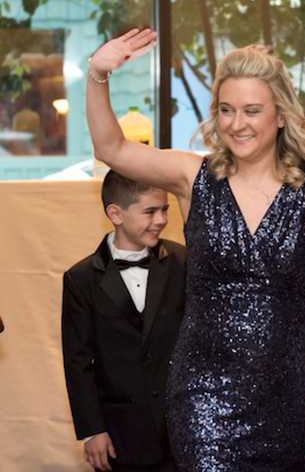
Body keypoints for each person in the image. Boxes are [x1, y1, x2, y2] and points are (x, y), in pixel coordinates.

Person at [85, 38, 305, 471]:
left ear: (279, 116)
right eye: (226, 109)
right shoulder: (192, 176)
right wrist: (98, 75)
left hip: (289, 392)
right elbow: (112, 149)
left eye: (251, 110)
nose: (237, 124)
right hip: (204, 393)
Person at [62, 170, 186, 472]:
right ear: (115, 214)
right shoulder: (80, 279)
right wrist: (92, 430)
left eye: (165, 209)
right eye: (150, 211)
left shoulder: (183, 261)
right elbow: (78, 361)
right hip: (120, 434)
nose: (161, 220)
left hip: (181, 430)